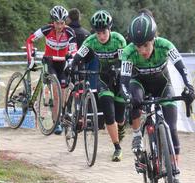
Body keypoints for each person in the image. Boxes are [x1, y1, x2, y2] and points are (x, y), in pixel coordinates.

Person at [119, 13, 195, 183]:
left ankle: (175, 176)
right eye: (139, 46)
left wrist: (189, 87)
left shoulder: (165, 45)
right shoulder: (129, 52)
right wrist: (128, 97)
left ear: (153, 39)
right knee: (135, 98)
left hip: (163, 85)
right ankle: (137, 134)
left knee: (172, 129)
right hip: (139, 84)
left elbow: (183, 69)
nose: (142, 50)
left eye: (146, 45)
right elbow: (123, 81)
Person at [66, 10, 127, 162]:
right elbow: (79, 55)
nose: (101, 36)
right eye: (98, 32)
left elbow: (124, 61)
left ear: (110, 29)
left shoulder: (118, 40)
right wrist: (72, 65)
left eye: (104, 32)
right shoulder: (91, 41)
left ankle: (121, 126)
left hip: (119, 78)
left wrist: (118, 71)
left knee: (120, 117)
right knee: (108, 113)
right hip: (104, 78)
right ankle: (117, 148)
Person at [26, 5, 77, 134]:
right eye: (56, 23)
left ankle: (62, 115)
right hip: (50, 61)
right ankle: (57, 122)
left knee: (63, 91)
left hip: (62, 63)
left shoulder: (70, 32)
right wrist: (30, 59)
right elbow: (29, 41)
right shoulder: (47, 30)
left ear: (65, 22)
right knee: (55, 88)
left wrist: (72, 59)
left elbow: (74, 49)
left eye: (62, 23)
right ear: (52, 22)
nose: (59, 26)